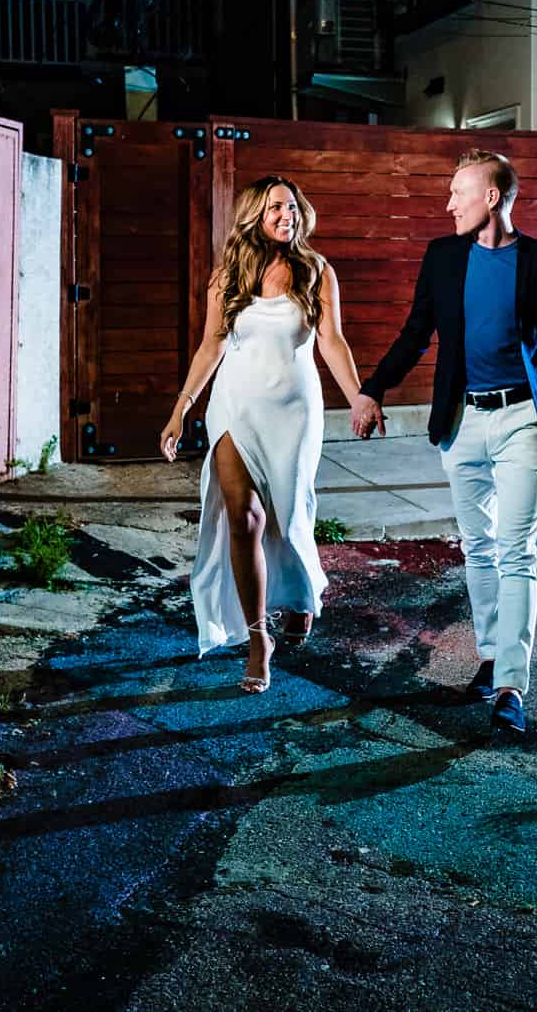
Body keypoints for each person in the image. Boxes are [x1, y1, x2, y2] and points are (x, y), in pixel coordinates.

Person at [350, 150, 537, 735]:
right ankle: (490, 653)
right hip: (461, 423)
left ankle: (511, 683)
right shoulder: (443, 257)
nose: (448, 202)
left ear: (491, 197)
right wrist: (371, 389)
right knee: (477, 547)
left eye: (458, 191)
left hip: (521, 424)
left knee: (516, 551)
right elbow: (416, 333)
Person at [161, 175, 369, 694]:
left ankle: (300, 596)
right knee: (244, 517)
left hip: (295, 414)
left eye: (293, 207)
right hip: (234, 409)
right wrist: (182, 407)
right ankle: (258, 639)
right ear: (256, 213)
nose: (288, 215)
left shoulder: (316, 271)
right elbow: (211, 346)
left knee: (290, 519)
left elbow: (332, 341)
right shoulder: (228, 275)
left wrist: (359, 395)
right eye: (277, 206)